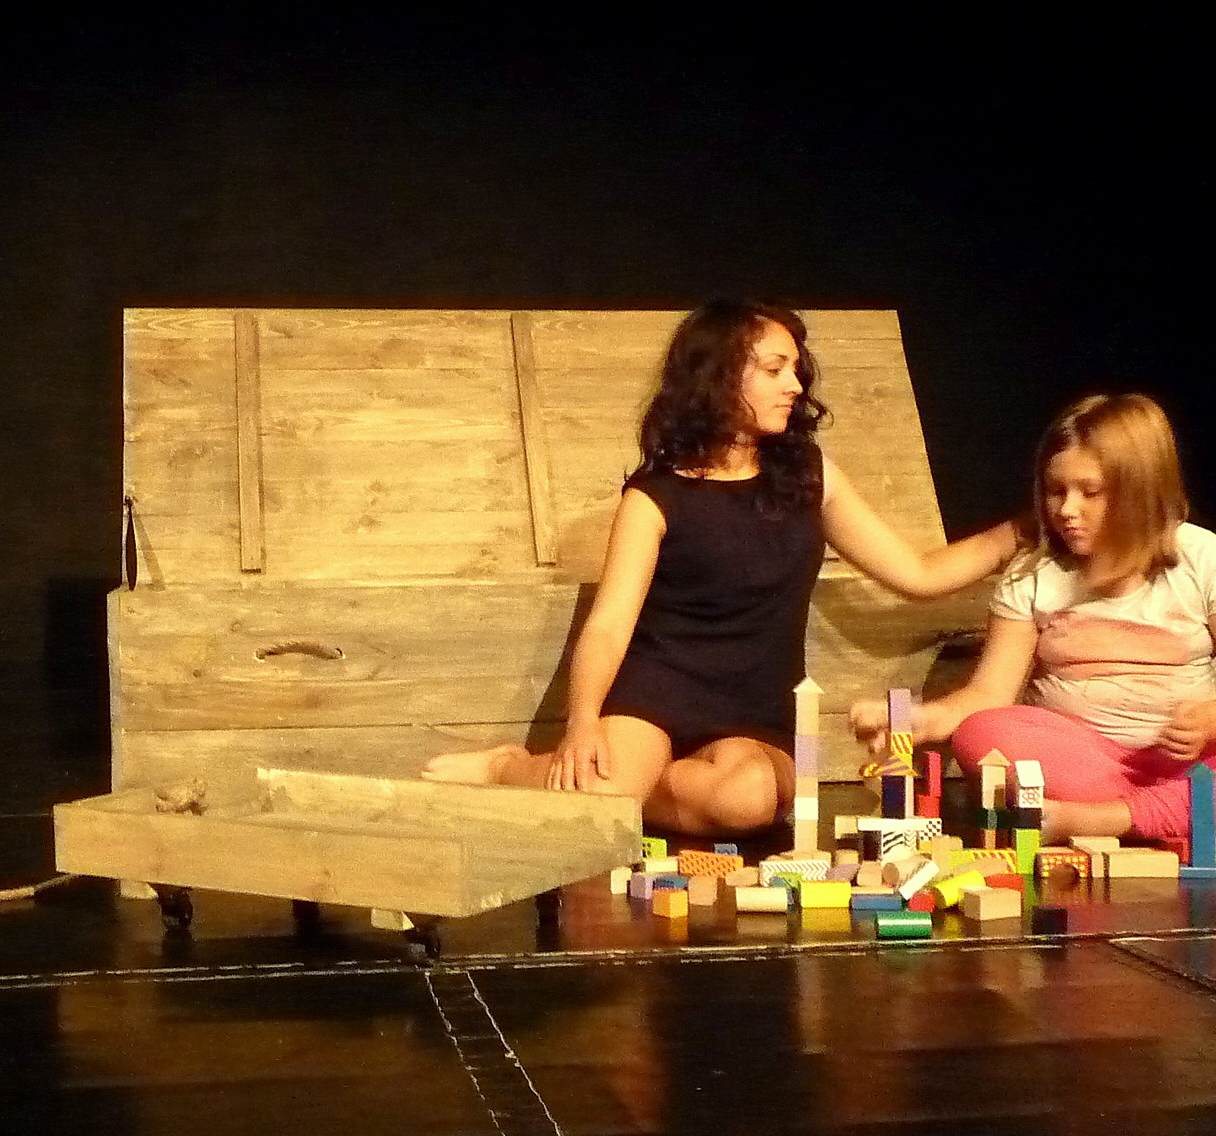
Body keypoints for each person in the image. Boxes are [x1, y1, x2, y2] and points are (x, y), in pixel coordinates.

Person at [421, 299, 1020, 837]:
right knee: (600, 791)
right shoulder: (654, 497)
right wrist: (582, 722)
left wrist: (1022, 531)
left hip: (755, 707)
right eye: (774, 369)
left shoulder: (810, 475)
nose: (794, 385)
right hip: (658, 690)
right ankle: (511, 768)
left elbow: (918, 573)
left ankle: (632, 787)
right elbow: (608, 626)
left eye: (796, 369)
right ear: (720, 376)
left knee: (748, 801)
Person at [854, 393, 1216, 842]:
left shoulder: (1201, 556)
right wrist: (918, 721)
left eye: (1091, 492)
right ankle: (1189, 816)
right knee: (985, 734)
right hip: (1089, 765)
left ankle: (1116, 819)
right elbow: (988, 695)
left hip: (1201, 763)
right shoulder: (1034, 572)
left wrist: (1212, 721)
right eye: (1056, 491)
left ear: (1139, 490)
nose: (1067, 509)